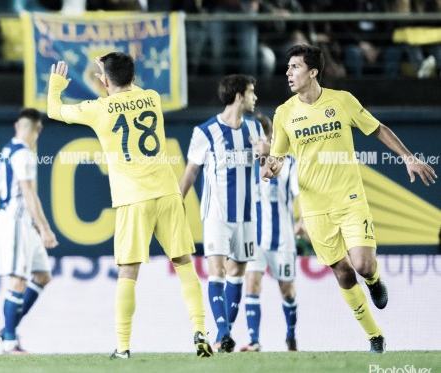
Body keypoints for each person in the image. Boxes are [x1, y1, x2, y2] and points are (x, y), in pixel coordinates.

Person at [261, 44, 437, 353]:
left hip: (350, 199)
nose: (288, 73)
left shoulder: (341, 101)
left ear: (313, 72)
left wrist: (409, 157)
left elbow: (377, 129)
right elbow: (278, 158)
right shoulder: (284, 113)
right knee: (342, 271)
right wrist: (271, 167)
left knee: (363, 265)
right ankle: (374, 335)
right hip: (314, 208)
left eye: (295, 67)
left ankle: (374, 281)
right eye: (287, 68)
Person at [48, 52, 213, 359]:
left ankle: (123, 347)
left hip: (133, 198)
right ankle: (200, 330)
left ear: (104, 81)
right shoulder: (151, 98)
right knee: (184, 263)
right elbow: (126, 88)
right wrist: (111, 75)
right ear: (133, 78)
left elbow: (54, 110)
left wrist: (56, 85)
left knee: (128, 272)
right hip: (167, 192)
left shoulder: (99, 109)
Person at [179, 74, 263, 353]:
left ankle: (221, 338)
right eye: (251, 92)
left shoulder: (255, 130)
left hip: (247, 215)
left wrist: (269, 158)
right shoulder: (205, 132)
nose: (255, 98)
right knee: (216, 271)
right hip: (216, 214)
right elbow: (191, 171)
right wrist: (177, 202)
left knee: (237, 273)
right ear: (239, 96)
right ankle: (225, 332)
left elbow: (268, 167)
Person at [0, 108, 58, 354]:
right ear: (37, 129)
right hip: (16, 221)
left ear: (17, 125)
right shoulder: (24, 154)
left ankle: (8, 328)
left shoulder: (8, 150)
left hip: (20, 220)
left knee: (42, 275)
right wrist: (45, 228)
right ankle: (10, 342)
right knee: (18, 280)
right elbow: (28, 192)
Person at [240, 114, 300, 352]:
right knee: (252, 285)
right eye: (251, 141)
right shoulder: (245, 166)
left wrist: (303, 220)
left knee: (287, 291)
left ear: (270, 138)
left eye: (258, 140)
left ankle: (291, 336)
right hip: (254, 240)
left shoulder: (289, 164)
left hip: (282, 239)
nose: (254, 145)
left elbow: (301, 194)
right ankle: (254, 340)